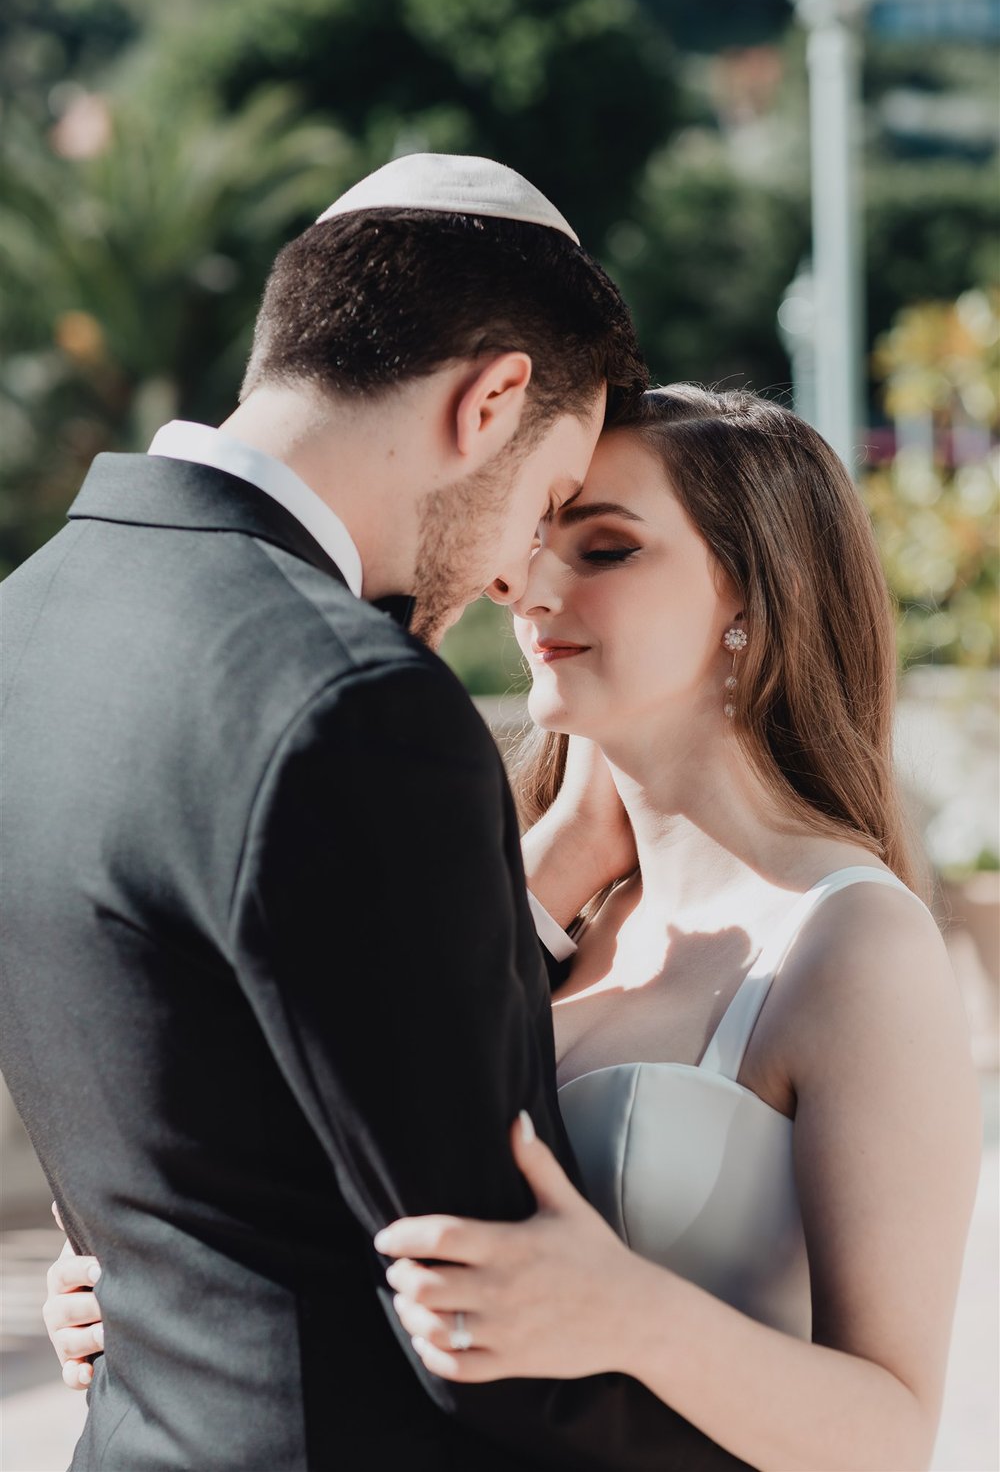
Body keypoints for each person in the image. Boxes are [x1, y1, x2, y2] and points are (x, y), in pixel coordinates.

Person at [47, 386, 980, 1471]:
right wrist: (165, 1295)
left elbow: (892, 1435)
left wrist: (628, 1312)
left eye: (605, 549)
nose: (526, 584)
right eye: (538, 539)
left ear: (752, 600)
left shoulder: (852, 945)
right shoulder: (532, 906)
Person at [2, 158, 749, 1472]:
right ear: (493, 399)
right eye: (548, 495)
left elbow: (222, 1052)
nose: (522, 565)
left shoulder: (30, 626)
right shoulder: (349, 700)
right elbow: (483, 1313)